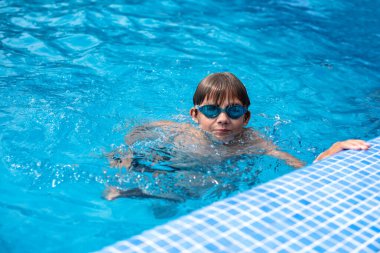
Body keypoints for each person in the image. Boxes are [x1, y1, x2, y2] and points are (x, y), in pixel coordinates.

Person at [103, 72, 370, 201]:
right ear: (195, 115)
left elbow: (299, 167)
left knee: (194, 193)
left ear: (246, 117)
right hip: (173, 161)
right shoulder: (178, 131)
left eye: (233, 111)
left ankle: (133, 194)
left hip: (202, 177)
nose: (222, 119)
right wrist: (126, 152)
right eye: (211, 110)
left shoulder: (253, 141)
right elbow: (137, 130)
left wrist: (329, 154)